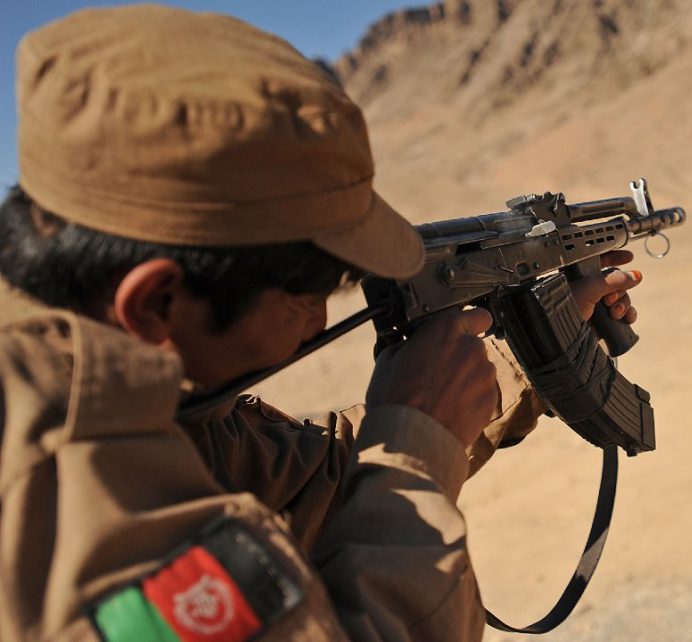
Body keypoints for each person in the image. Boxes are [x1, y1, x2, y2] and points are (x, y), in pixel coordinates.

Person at [0, 5, 643, 641]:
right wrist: (416, 451)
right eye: (307, 295)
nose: (315, 327)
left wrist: (522, 361)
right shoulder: (59, 482)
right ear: (155, 304)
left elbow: (304, 480)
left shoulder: (115, 384)